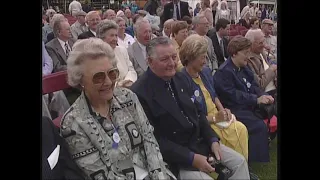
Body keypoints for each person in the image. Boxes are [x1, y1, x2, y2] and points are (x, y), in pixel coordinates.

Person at [131, 36, 250, 180]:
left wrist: (212, 139)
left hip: (201, 143)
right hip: (176, 159)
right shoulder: (139, 93)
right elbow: (154, 140)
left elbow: (198, 113)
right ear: (150, 62)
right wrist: (191, 158)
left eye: (174, 57)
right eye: (165, 59)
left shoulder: (180, 78)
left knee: (239, 162)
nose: (172, 63)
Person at [60, 38, 174, 179]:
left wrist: (159, 176)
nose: (108, 82)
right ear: (80, 80)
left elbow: (149, 139)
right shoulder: (73, 123)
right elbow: (100, 175)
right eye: (98, 77)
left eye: (112, 73)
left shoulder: (128, 97)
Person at [179, 34, 249, 161]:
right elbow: (193, 117)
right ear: (190, 57)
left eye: (206, 57)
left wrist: (223, 110)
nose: (205, 61)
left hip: (217, 116)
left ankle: (242, 164)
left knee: (240, 129)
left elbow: (214, 95)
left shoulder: (204, 72)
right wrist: (216, 118)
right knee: (237, 130)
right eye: (202, 57)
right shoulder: (182, 80)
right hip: (205, 123)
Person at [213, 35, 271, 163]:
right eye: (245, 53)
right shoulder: (224, 73)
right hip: (233, 109)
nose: (248, 56)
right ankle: (254, 161)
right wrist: (256, 99)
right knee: (258, 125)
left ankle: (264, 144)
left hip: (248, 104)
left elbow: (254, 85)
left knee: (273, 105)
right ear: (234, 54)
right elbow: (233, 95)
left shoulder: (244, 67)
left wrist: (262, 96)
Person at [96, 19, 137, 88]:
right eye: (111, 35)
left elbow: (131, 70)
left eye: (116, 35)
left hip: (129, 87)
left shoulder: (122, 50)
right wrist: (120, 85)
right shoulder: (96, 56)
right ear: (101, 38)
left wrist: (128, 80)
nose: (115, 39)